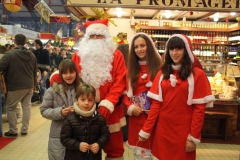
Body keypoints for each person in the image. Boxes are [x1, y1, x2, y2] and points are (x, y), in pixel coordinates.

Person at [139, 34, 215, 160]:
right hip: (162, 131)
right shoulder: (162, 74)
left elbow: (199, 110)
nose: (174, 53)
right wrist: (146, 130)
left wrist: (193, 137)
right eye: (171, 49)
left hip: (184, 133)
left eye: (179, 49)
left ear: (186, 50)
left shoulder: (198, 75)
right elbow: (156, 106)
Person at [72, 19, 126, 160]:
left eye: (99, 35)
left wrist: (109, 102)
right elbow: (69, 74)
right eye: (92, 36)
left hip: (110, 109)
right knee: (86, 148)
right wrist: (55, 77)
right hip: (84, 109)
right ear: (87, 38)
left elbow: (121, 81)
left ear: (106, 37)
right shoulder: (78, 56)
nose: (95, 39)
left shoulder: (117, 56)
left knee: (114, 148)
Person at [122, 32, 162, 159]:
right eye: (136, 47)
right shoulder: (130, 70)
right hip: (137, 118)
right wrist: (130, 108)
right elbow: (124, 94)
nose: (139, 49)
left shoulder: (160, 68)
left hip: (156, 119)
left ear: (149, 46)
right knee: (140, 156)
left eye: (142, 45)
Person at [40, 59, 81, 160]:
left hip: (79, 133)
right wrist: (60, 112)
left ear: (76, 72)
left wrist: (80, 110)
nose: (68, 75)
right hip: (58, 134)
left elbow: (91, 107)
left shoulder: (82, 89)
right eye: (65, 73)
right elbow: (44, 110)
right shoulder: (52, 90)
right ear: (60, 74)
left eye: (71, 72)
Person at [60, 83, 110, 160]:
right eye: (82, 99)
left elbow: (105, 135)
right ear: (76, 100)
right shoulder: (70, 119)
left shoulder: (100, 119)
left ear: (94, 101)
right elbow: (64, 138)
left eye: (90, 100)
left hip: (94, 157)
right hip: (74, 157)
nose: (86, 103)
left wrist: (99, 144)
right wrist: (77, 145)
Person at [0, 34, 37, 136]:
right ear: (25, 42)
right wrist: (35, 85)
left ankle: (13, 130)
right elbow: (34, 71)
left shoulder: (10, 54)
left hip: (15, 85)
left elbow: (0, 67)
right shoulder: (32, 55)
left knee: (10, 107)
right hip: (29, 84)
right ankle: (24, 129)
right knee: (27, 108)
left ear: (15, 42)